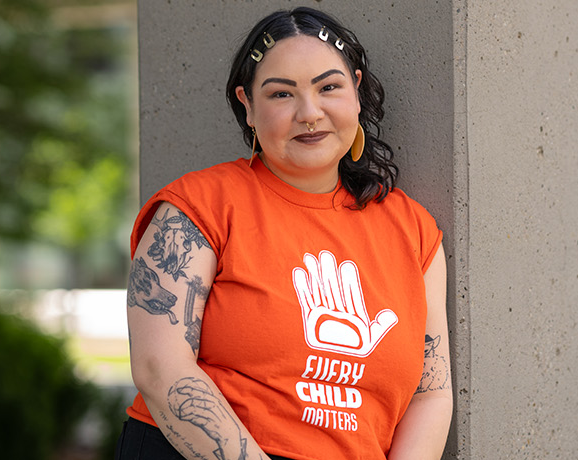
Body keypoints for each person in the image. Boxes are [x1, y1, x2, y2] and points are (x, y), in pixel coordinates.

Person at [116, 7, 452, 460]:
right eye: (281, 94)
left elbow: (430, 395)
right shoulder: (196, 208)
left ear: (356, 92)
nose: (309, 113)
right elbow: (159, 367)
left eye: (329, 87)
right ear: (248, 106)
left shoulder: (414, 232)